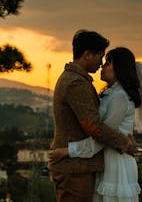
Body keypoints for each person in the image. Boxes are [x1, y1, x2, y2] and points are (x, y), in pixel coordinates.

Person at [51, 47, 142, 202]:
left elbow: (102, 137)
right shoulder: (112, 94)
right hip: (107, 161)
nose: (103, 66)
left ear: (120, 69)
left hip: (116, 165)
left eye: (108, 63)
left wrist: (68, 151)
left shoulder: (119, 97)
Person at [48, 31, 134, 202]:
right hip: (74, 169)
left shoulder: (77, 80)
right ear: (87, 55)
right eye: (100, 57)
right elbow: (94, 127)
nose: (101, 63)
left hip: (78, 166)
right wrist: (124, 143)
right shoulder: (76, 83)